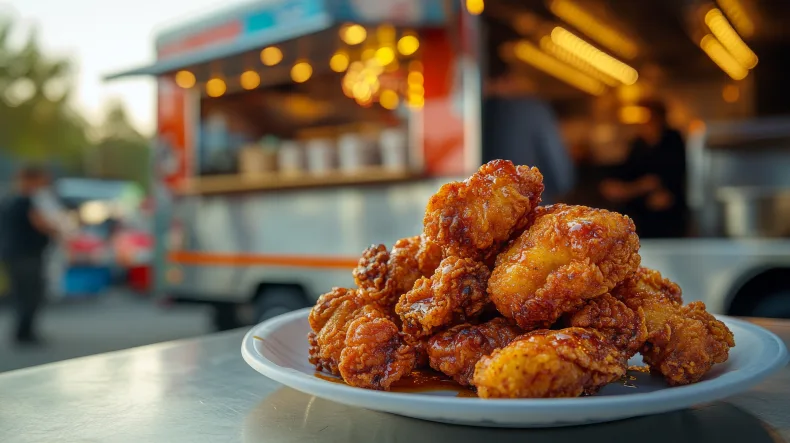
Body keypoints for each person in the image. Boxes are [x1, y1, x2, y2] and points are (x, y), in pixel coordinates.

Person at [482, 72, 575, 204]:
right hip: (531, 205)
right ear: (506, 79)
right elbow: (562, 176)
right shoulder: (534, 110)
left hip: (486, 207)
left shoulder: (470, 113)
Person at [600, 100, 689, 238]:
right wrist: (615, 183)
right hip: (640, 210)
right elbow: (628, 169)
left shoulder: (673, 139)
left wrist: (668, 191)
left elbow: (678, 172)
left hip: (669, 211)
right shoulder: (638, 143)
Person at [0, 165, 58, 345]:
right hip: (27, 254)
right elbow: (41, 224)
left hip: (14, 254)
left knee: (22, 294)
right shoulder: (27, 201)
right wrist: (58, 230)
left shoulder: (10, 200)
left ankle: (23, 331)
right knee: (31, 294)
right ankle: (25, 333)